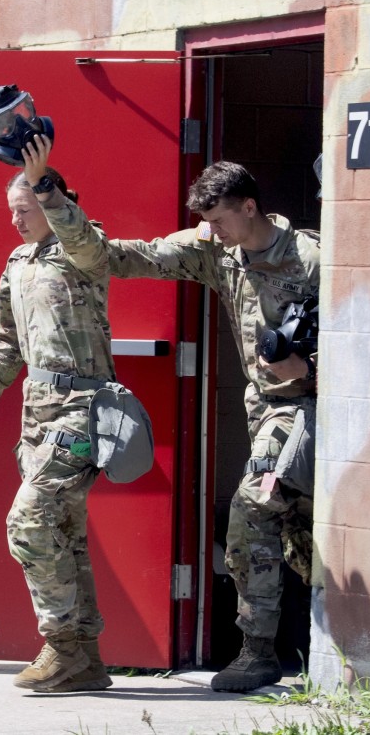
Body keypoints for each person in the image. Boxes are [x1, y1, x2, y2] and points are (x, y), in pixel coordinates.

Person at [51, 159, 320, 692]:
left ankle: (259, 652)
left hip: (315, 406)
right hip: (266, 410)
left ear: (249, 207)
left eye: (220, 219)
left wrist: (310, 368)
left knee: (253, 508)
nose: (212, 231)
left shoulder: (312, 261)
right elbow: (123, 257)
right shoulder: (219, 251)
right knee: (297, 535)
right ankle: (297, 644)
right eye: (207, 223)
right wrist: (55, 203)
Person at [0, 135, 114, 693]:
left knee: (27, 522)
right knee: (64, 531)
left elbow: (86, 241)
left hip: (84, 409)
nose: (17, 222)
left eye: (24, 210)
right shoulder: (18, 262)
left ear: (49, 203)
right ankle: (86, 660)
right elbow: (5, 339)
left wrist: (44, 183)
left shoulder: (81, 250)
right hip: (38, 414)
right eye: (12, 212)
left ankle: (61, 646)